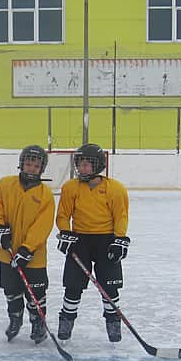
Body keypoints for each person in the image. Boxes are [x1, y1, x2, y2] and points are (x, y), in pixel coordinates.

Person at [55, 143, 130, 342]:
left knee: (109, 287)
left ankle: (113, 323)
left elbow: (121, 216)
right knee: (72, 286)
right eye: (80, 164)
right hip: (80, 241)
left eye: (88, 164)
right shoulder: (70, 187)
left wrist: (120, 239)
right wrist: (65, 233)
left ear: (99, 166)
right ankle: (66, 321)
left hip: (106, 241)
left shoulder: (115, 189)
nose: (83, 168)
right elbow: (63, 215)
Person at [0, 145, 55, 344]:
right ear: (21, 164)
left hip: (33, 255)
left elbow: (43, 225)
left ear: (42, 167)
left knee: (36, 292)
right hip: (7, 252)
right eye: (28, 163)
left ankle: (37, 322)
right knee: (11, 289)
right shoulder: (6, 184)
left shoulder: (45, 194)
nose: (31, 168)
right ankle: (15, 319)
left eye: (36, 165)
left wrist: (27, 248)